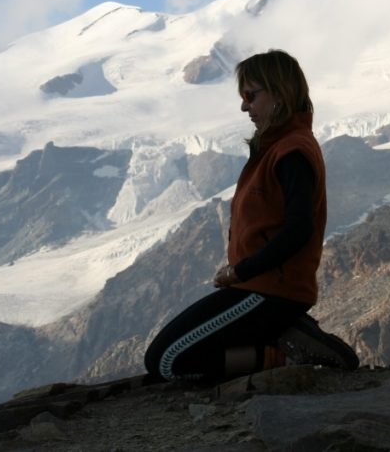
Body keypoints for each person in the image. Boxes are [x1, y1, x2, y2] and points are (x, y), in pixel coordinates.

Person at [144, 49, 359, 383]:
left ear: (279, 94)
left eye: (250, 95)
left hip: (270, 291)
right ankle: (284, 337)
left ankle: (286, 356)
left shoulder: (291, 152)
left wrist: (240, 271)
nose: (244, 106)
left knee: (169, 361)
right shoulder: (276, 148)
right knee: (163, 357)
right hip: (258, 289)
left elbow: (298, 229)